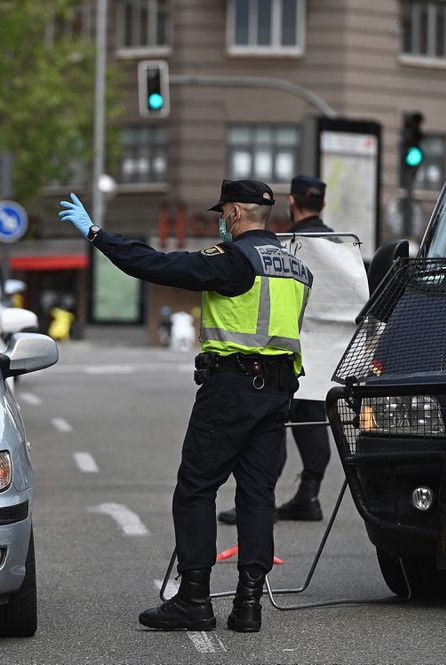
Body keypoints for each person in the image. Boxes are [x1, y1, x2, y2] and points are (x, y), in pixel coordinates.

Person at [59, 180, 313, 633]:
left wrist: (98, 234)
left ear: (234, 213)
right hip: (277, 396)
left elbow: (156, 264)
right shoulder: (297, 268)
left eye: (222, 213)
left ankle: (194, 599)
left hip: (231, 388)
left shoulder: (234, 260)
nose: (220, 221)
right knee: (257, 495)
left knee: (196, 487)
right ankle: (248, 605)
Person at [218, 175, 333, 525]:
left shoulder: (283, 245)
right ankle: (309, 493)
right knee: (312, 417)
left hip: (281, 347)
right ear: (322, 205)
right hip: (327, 348)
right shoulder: (340, 245)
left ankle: (259, 498)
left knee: (273, 422)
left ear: (292, 204)